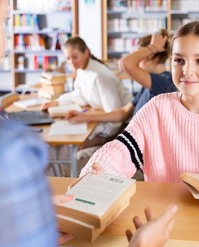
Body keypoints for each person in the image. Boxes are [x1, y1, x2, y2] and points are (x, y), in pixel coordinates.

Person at [0, 0, 176, 247]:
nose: (1, 47)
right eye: (2, 22)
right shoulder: (3, 152)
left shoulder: (160, 83)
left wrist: (32, 218)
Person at [81, 21, 199, 184]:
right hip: (165, 220)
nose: (187, 71)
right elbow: (121, 152)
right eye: (179, 60)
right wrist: (98, 169)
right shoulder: (157, 108)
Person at [65, 30, 176, 174]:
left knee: (77, 162)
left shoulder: (164, 82)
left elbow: (125, 63)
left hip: (138, 161)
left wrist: (152, 47)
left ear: (151, 57)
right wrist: (83, 117)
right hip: (125, 149)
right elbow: (123, 113)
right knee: (78, 158)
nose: (135, 60)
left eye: (138, 55)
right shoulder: (148, 85)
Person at [41, 36, 133, 146]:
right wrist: (57, 102)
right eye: (68, 58)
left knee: (74, 145)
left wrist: (93, 130)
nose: (72, 62)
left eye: (75, 57)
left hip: (120, 128)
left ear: (86, 53)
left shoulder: (100, 76)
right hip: (102, 118)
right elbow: (80, 95)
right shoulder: (82, 69)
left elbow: (116, 120)